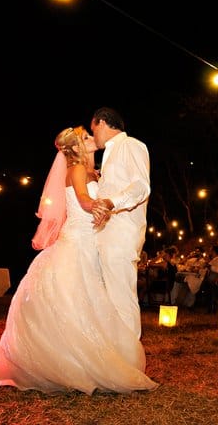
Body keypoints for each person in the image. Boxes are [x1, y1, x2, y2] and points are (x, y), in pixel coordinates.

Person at [0, 126, 158, 394]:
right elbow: (85, 201)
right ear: (75, 148)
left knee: (89, 303)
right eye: (86, 138)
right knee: (75, 303)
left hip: (91, 241)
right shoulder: (76, 169)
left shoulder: (90, 171)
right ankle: (72, 365)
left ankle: (87, 359)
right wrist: (100, 206)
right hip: (78, 241)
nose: (91, 139)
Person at [90, 107, 151, 339]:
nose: (93, 135)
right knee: (109, 298)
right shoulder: (110, 155)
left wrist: (110, 201)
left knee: (122, 297)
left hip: (123, 233)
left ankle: (129, 359)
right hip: (107, 233)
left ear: (102, 122)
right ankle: (116, 353)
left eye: (93, 129)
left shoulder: (131, 146)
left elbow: (141, 187)